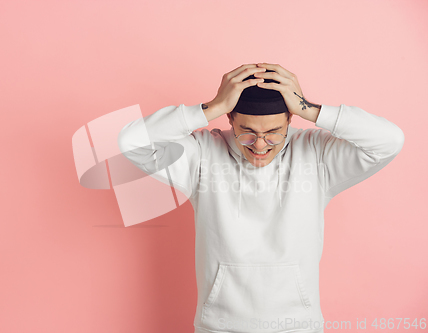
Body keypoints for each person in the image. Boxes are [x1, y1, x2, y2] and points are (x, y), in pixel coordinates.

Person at [117, 63, 404, 333]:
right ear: (230, 118)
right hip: (220, 324)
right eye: (247, 133)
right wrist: (210, 108)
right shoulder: (202, 153)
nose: (261, 145)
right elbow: (130, 142)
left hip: (298, 324)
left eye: (275, 133)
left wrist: (311, 109)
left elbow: (390, 140)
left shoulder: (317, 155)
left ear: (290, 119)